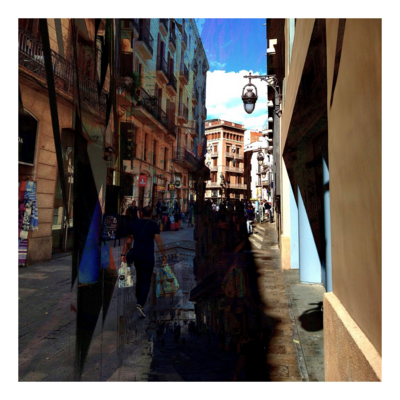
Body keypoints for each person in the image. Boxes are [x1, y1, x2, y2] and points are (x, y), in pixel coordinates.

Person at [121, 206, 167, 318]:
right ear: (151, 214)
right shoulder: (154, 225)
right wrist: (164, 255)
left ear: (141, 213)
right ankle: (140, 303)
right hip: (148, 256)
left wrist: (123, 254)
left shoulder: (134, 224)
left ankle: (138, 298)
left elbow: (128, 241)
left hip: (137, 256)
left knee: (139, 277)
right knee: (146, 280)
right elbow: (158, 241)